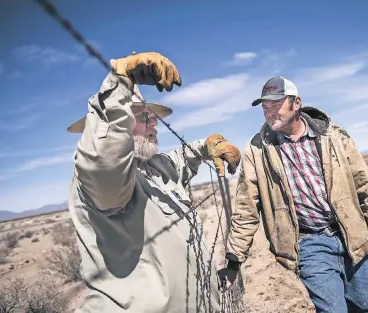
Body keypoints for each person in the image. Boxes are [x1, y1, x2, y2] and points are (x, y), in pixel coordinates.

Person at [66, 51, 241, 313]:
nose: (154, 124)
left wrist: (206, 146)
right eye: (143, 117)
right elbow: (104, 157)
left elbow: (182, 158)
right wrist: (120, 84)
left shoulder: (153, 168)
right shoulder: (100, 179)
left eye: (154, 117)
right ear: (117, 123)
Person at [218, 76, 368, 312]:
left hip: (354, 237)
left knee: (365, 309)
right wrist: (233, 263)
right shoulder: (257, 150)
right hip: (309, 245)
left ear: (296, 104)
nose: (270, 113)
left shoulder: (334, 136)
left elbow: (365, 189)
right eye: (265, 108)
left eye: (276, 105)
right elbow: (246, 209)